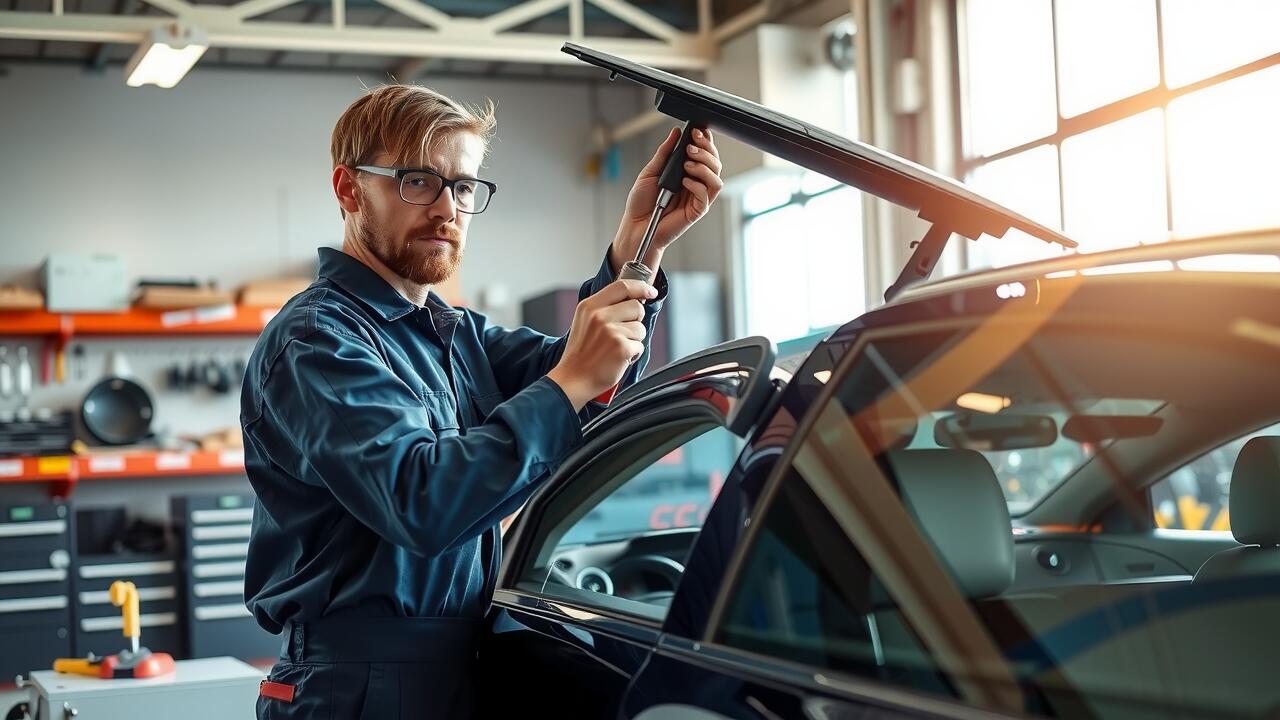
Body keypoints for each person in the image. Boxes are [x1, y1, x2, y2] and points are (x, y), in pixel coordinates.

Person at [240, 83, 722, 718]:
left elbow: (587, 378)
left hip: (458, 663)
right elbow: (421, 501)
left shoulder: (454, 332)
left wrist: (643, 243)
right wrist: (573, 379)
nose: (447, 208)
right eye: (418, 181)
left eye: (464, 188)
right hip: (357, 687)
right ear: (349, 189)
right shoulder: (316, 340)